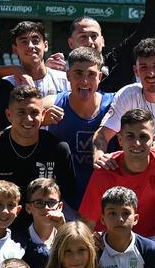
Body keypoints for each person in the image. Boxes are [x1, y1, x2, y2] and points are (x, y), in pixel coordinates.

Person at [77, 108, 155, 262]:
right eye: (130, 136)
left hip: (150, 237)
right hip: (109, 239)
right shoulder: (105, 170)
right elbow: (87, 223)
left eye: (143, 137)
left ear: (153, 139)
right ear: (120, 139)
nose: (137, 143)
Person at [0, 85, 77, 233]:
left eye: (34, 112)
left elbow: (67, 199)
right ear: (8, 115)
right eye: (21, 112)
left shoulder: (58, 149)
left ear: (43, 115)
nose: (28, 118)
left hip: (43, 237)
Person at [90, 38, 155, 160]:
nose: (151, 73)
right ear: (136, 71)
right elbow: (102, 135)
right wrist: (99, 156)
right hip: (138, 174)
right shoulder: (127, 95)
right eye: (144, 67)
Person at [44, 47, 116, 210]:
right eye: (78, 73)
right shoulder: (53, 103)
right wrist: (39, 120)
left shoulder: (115, 104)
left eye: (91, 74)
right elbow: (18, 121)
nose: (84, 81)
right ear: (68, 75)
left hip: (108, 204)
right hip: (63, 205)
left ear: (100, 76)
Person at [4, 20, 68, 97]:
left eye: (35, 41)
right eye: (24, 42)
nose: (30, 46)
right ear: (15, 49)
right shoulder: (6, 84)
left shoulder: (65, 81)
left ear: (45, 45)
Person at [22, 178, 66, 268]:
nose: (46, 208)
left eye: (52, 202)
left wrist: (64, 231)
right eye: (39, 203)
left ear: (60, 206)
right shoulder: (18, 244)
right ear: (28, 208)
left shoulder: (68, 237)